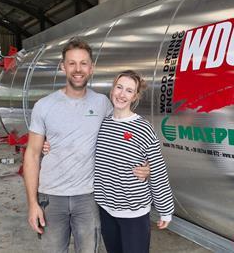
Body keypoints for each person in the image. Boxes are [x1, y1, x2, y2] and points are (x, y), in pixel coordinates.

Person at [23, 38, 150, 253]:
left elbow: (122, 133)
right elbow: (32, 155)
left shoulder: (102, 103)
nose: (78, 69)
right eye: (71, 63)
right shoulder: (44, 106)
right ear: (63, 67)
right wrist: (32, 203)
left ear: (91, 68)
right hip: (51, 197)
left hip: (89, 196)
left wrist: (143, 163)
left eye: (83, 63)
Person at [94, 70, 174, 253]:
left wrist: (165, 209)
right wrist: (50, 145)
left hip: (134, 212)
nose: (122, 94)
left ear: (135, 96)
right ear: (112, 89)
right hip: (106, 208)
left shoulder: (143, 128)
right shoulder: (103, 124)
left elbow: (158, 169)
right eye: (119, 87)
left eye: (129, 91)